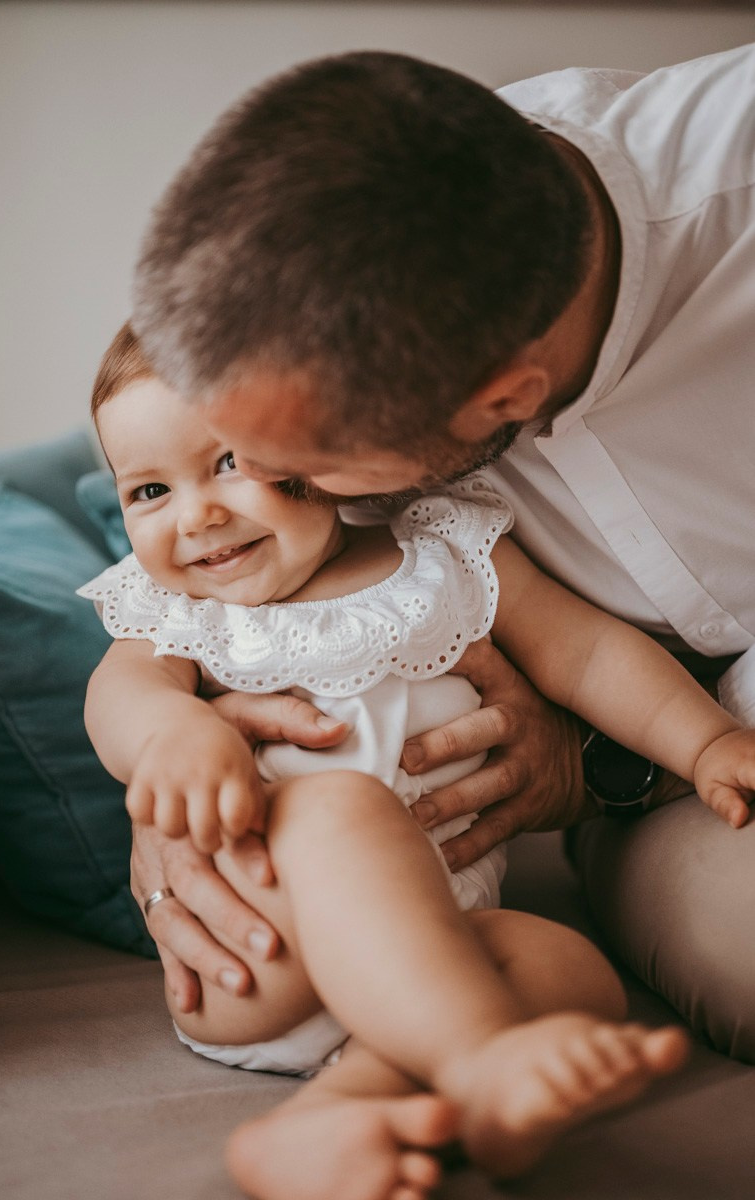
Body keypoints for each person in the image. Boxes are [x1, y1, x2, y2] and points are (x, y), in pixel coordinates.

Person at [128, 46, 755, 1062]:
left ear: (506, 400)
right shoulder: (354, 298)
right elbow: (139, 673)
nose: (249, 509)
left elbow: (585, 653)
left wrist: (695, 746)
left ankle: (386, 1102)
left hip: (653, 786)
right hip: (311, 906)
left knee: (554, 984)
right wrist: (169, 767)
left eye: (304, 478)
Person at [82, 322, 755, 1195]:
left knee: (573, 974)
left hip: (443, 942)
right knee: (337, 806)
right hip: (259, 950)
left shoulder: (445, 554)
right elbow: (118, 695)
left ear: (316, 442)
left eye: (226, 464)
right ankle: (479, 1061)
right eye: (147, 492)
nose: (196, 515)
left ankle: (337, 1115)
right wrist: (174, 731)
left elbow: (585, 655)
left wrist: (704, 741)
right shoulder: (180, 613)